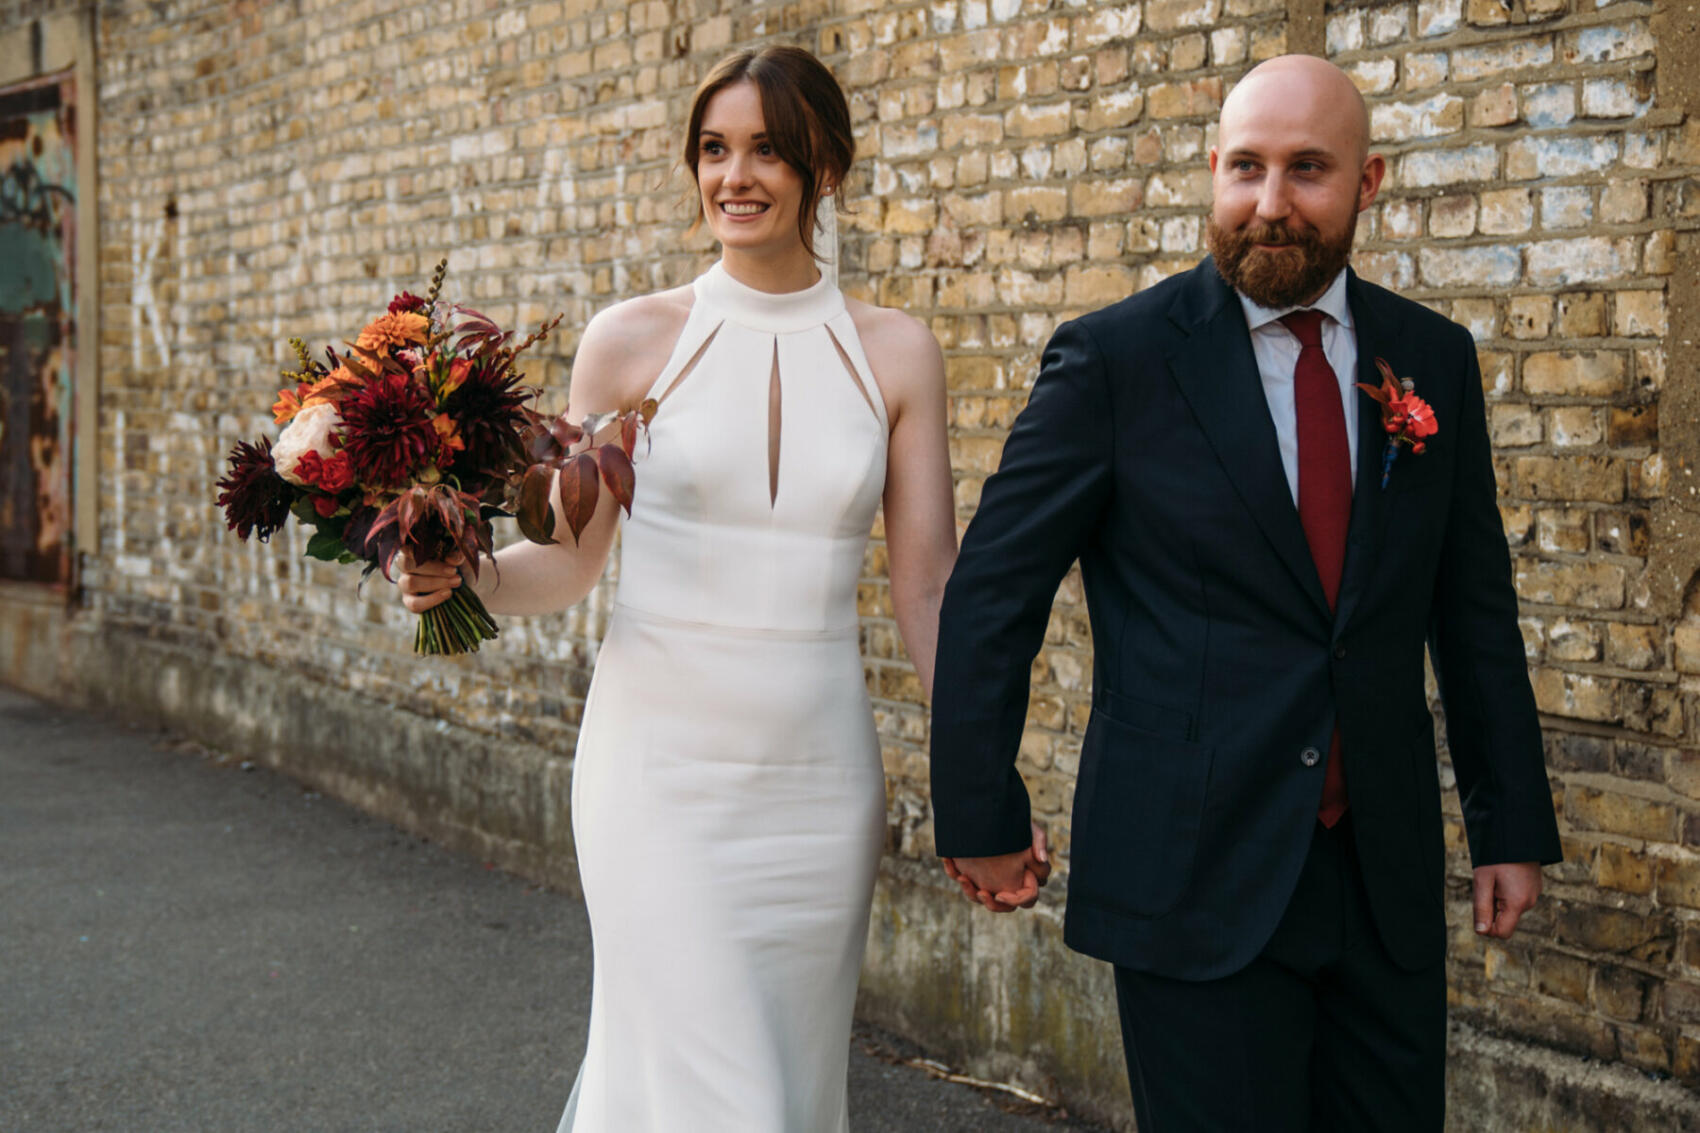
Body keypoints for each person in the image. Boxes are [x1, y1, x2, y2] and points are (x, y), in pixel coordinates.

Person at [928, 54, 1563, 1131]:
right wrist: (977, 810)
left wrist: (1507, 823)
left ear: (1365, 185)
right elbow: (994, 592)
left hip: (1379, 874)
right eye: (1243, 168)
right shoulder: (1113, 361)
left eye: (1306, 170)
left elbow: (1470, 606)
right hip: (1192, 869)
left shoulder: (1431, 359)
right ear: (1212, 173)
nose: (1268, 204)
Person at [396, 46, 958, 1132]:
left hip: (817, 785)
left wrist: (973, 770)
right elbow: (567, 562)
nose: (733, 176)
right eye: (713, 149)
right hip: (658, 780)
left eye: (766, 150)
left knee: (788, 1095)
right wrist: (460, 575)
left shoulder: (897, 355)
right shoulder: (629, 341)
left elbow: (927, 584)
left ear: (825, 168)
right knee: (720, 1097)